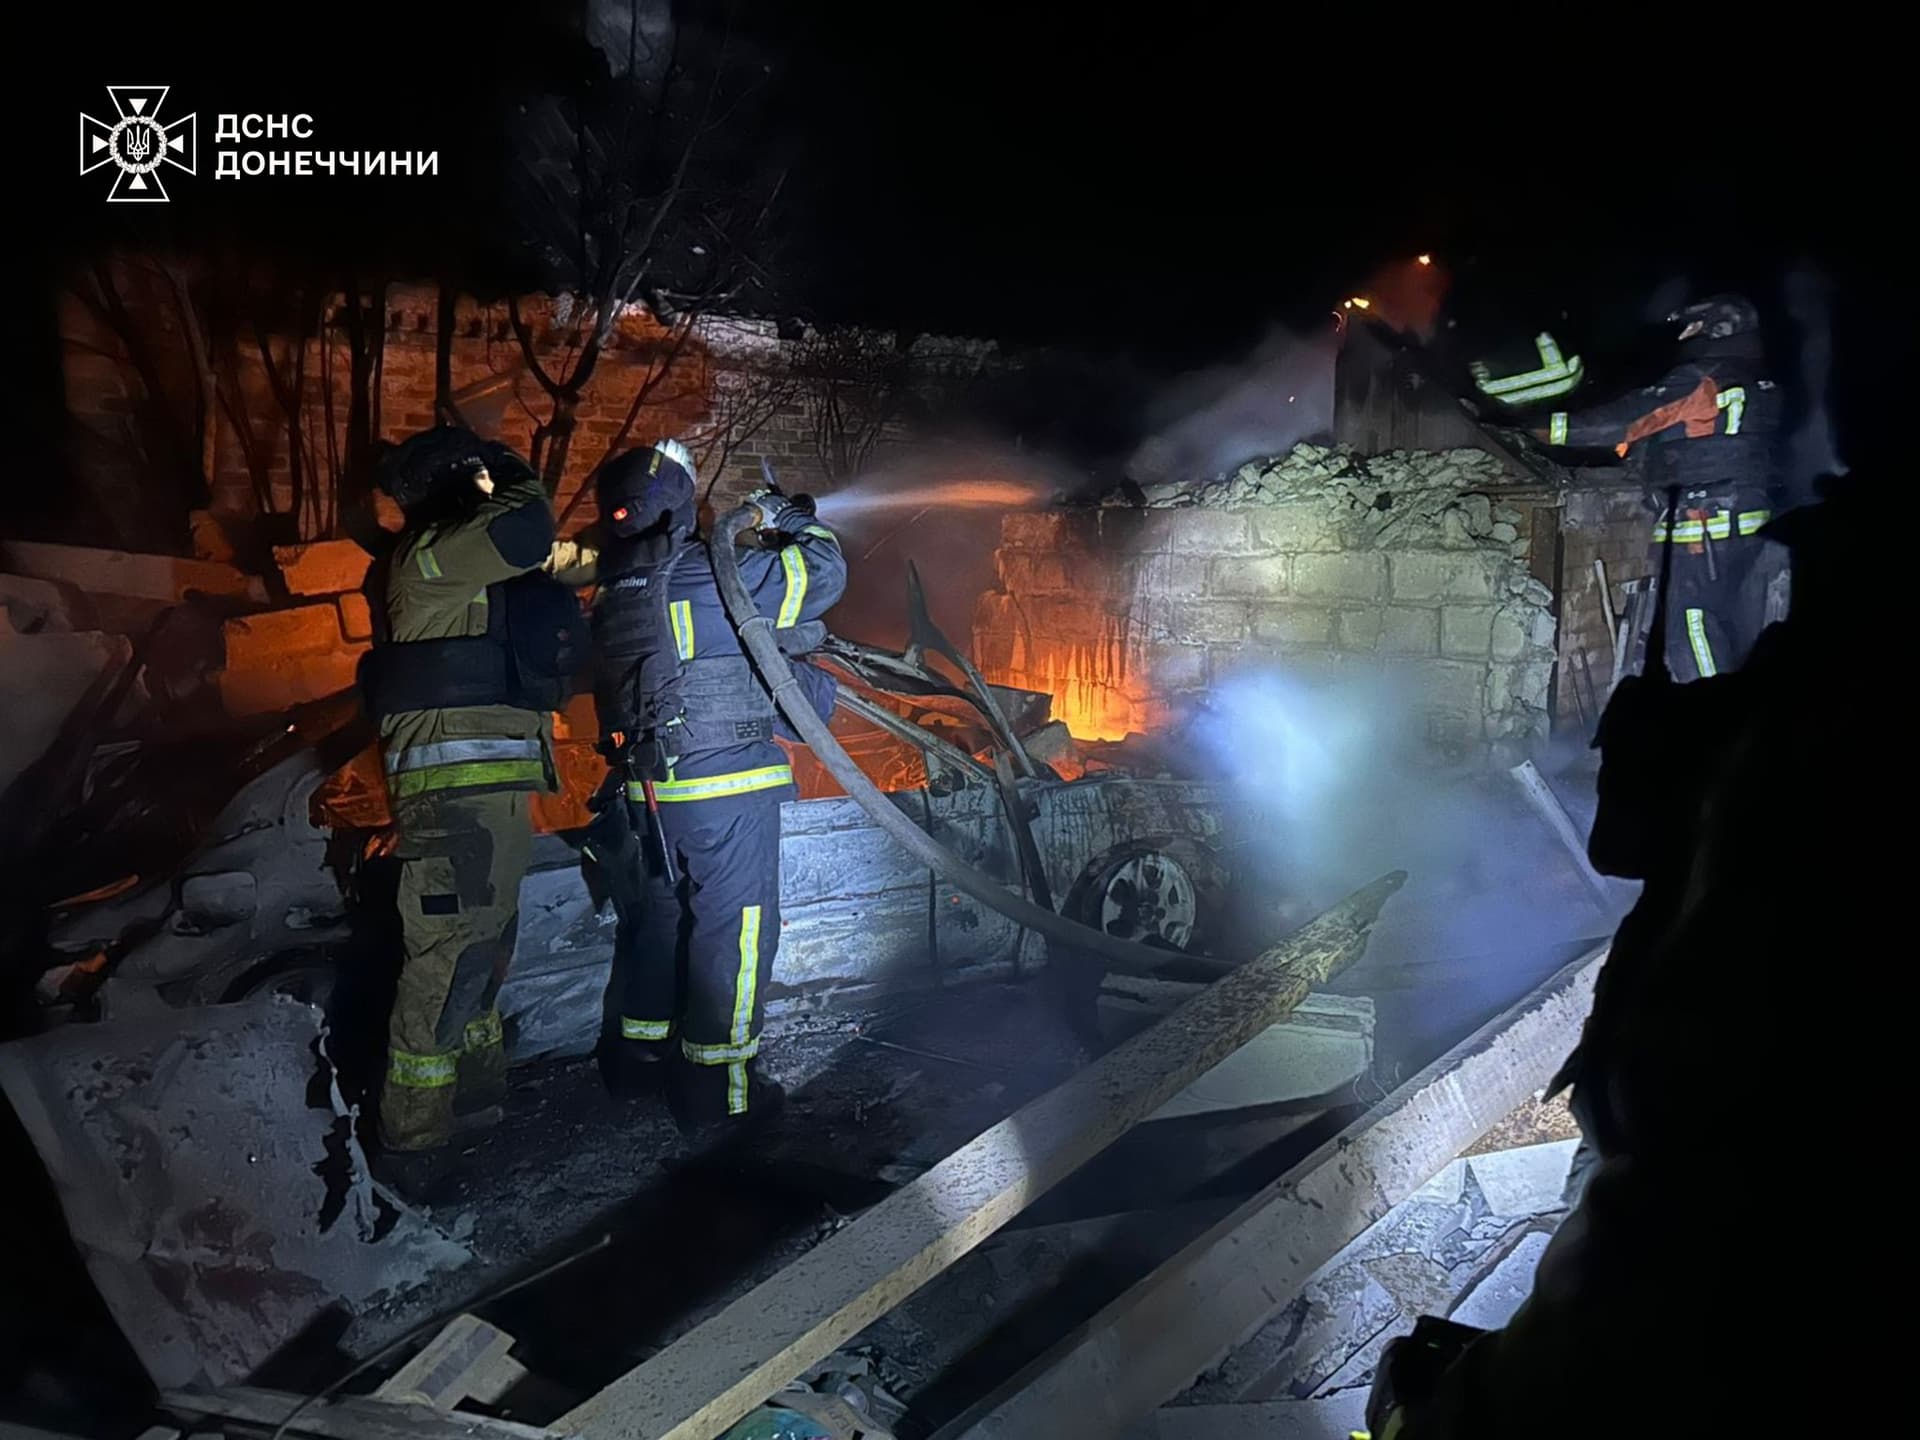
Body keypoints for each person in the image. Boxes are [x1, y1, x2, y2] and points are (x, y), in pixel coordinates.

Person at [582, 439, 846, 1134]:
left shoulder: (614, 592)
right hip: (725, 786)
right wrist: (796, 521)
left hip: (649, 796)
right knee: (736, 931)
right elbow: (822, 574)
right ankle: (720, 1092)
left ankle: (637, 1062)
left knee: (663, 922)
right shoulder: (711, 569)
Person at [357, 426, 573, 1194]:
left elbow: (557, 557)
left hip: (489, 799)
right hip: (456, 804)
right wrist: (510, 462)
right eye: (477, 479)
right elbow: (527, 525)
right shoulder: (432, 559)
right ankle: (411, 1144)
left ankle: (474, 1103)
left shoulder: (462, 562)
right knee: (445, 961)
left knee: (483, 955)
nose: (490, 488)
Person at [1536, 295, 1785, 681]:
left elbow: (1629, 419)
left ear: (1719, 329)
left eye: (1693, 327)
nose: (1685, 335)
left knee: (1689, 628)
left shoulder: (1705, 377)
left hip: (1705, 524)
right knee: (1731, 629)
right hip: (1749, 518)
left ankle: (1717, 727)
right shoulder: (1758, 379)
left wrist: (1543, 428)